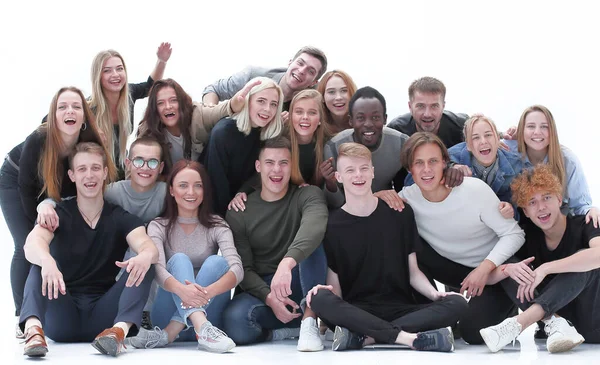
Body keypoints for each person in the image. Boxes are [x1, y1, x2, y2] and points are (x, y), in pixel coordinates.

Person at [307, 142, 468, 352]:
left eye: (364, 168)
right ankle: (408, 339)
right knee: (319, 298)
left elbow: (413, 273)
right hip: (358, 312)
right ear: (338, 177)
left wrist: (435, 294)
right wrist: (325, 300)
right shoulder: (332, 225)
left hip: (402, 310)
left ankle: (367, 338)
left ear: (372, 172)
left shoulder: (400, 213)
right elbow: (335, 287)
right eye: (350, 170)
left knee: (458, 304)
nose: (359, 175)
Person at [19, 142, 159, 358]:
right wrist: (48, 262)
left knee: (146, 263)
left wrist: (146, 255)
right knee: (39, 264)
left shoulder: (121, 217)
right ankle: (33, 332)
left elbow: (147, 245)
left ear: (105, 173)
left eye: (95, 168)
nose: (89, 175)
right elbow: (31, 244)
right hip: (62, 315)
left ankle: (119, 333)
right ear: (72, 175)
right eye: (82, 169)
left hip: (104, 320)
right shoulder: (59, 213)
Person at [0, 86, 114, 337]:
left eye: (76, 106)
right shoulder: (39, 138)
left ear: (84, 116)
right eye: (62, 107)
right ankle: (23, 315)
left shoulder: (88, 140)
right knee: (26, 243)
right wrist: (39, 226)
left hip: (49, 188)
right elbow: (26, 188)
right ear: (53, 114)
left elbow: (96, 173)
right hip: (15, 178)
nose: (69, 111)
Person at [398, 132, 525, 344]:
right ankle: (431, 312)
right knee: (411, 244)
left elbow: (515, 234)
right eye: (418, 163)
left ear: (445, 163)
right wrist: (382, 194)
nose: (426, 169)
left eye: (433, 161)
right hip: (453, 270)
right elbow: (371, 205)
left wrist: (484, 269)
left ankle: (510, 308)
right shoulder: (408, 197)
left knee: (472, 334)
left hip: (494, 268)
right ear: (410, 169)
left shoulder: (473, 190)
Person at [480, 165, 600, 353]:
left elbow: (598, 255)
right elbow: (488, 277)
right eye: (532, 202)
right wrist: (506, 270)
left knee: (583, 260)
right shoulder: (527, 236)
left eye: (547, 197)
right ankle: (555, 322)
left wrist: (546, 268)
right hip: (555, 328)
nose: (541, 207)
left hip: (593, 324)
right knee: (513, 266)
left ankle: (517, 324)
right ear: (526, 212)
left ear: (559, 199)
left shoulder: (585, 224)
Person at [223, 136, 328, 348]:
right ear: (258, 166)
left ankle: (309, 322)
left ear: (292, 166)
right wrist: (269, 297)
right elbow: (244, 267)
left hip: (300, 281)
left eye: (283, 163)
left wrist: (287, 263)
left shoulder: (307, 194)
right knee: (234, 322)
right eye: (270, 163)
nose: (277, 170)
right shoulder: (239, 211)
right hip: (263, 289)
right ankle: (284, 332)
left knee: (314, 244)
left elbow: (315, 225)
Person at [128, 160, 243, 353]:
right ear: (171, 190)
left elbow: (237, 270)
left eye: (198, 186)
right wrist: (182, 291)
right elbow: (157, 270)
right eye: (183, 185)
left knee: (217, 262)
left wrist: (205, 294)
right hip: (166, 315)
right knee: (179, 259)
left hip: (211, 317)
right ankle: (199, 325)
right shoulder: (158, 225)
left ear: (205, 190)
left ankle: (173, 332)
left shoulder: (217, 225)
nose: (191, 192)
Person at [228, 89, 330, 212]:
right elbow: (264, 172)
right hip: (282, 202)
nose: (305, 117)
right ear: (291, 115)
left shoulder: (326, 145)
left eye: (312, 113)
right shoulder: (280, 143)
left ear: (320, 119)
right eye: (298, 112)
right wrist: (242, 192)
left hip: (309, 202)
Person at [137, 78, 258, 177]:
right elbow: (134, 166)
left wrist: (236, 102)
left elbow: (220, 111)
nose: (168, 106)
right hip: (170, 185)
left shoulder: (197, 114)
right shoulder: (148, 130)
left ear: (182, 102)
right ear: (154, 109)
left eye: (173, 100)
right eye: (160, 103)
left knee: (223, 129)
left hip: (202, 177)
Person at [203, 77, 284, 216]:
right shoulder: (224, 132)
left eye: (274, 104)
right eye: (261, 101)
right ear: (248, 101)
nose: (267, 109)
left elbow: (258, 174)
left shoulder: (269, 134)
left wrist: (243, 191)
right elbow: (215, 183)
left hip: (244, 198)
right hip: (214, 206)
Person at [506, 105, 599, 225]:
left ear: (552, 131)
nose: (537, 132)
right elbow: (485, 142)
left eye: (544, 127)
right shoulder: (510, 151)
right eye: (531, 126)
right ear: (521, 130)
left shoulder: (568, 160)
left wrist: (591, 211)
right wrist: (503, 134)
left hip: (556, 224)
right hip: (518, 222)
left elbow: (581, 206)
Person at [89, 43, 172, 178]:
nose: (115, 74)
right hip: (96, 173)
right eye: (107, 70)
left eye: (119, 69)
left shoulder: (129, 94)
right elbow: (50, 120)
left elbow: (150, 85)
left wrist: (162, 61)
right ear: (98, 76)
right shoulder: (88, 108)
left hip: (121, 169)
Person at [322, 86, 409, 210]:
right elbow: (335, 205)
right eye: (360, 118)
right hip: (349, 211)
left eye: (375, 117)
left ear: (385, 119)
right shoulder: (333, 148)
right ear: (351, 121)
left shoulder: (402, 143)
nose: (368, 124)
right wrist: (330, 183)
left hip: (388, 207)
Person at [202, 46, 327, 112]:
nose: (301, 71)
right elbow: (214, 89)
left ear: (314, 82)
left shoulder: (317, 97)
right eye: (300, 63)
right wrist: (211, 112)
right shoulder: (253, 75)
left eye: (310, 71)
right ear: (290, 62)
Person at [447, 114, 523, 218]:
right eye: (476, 137)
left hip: (495, 222)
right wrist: (451, 166)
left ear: (497, 138)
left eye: (488, 135)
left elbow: (519, 211)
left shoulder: (515, 165)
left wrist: (511, 210)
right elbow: (433, 163)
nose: (483, 141)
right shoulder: (451, 155)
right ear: (468, 145)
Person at [387, 77, 468, 148]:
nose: (427, 114)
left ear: (443, 106)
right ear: (410, 106)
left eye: (434, 106)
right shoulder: (396, 130)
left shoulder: (462, 127)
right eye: (420, 106)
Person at [316, 70, 358, 134]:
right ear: (322, 97)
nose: (338, 97)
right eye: (331, 92)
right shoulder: (316, 126)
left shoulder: (362, 123)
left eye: (344, 90)